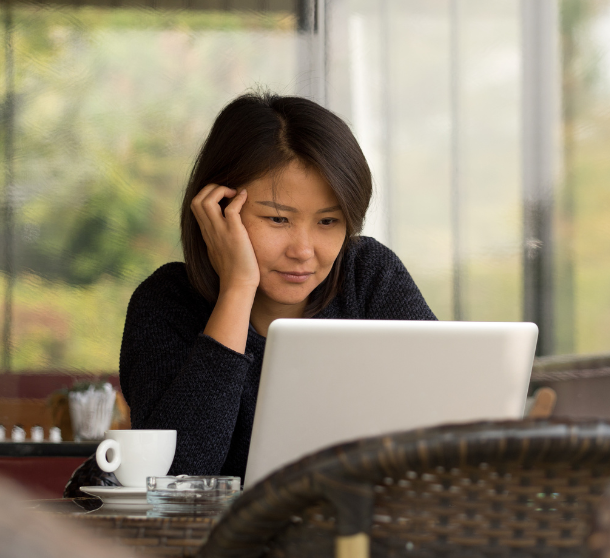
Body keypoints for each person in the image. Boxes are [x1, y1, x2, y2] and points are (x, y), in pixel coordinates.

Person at [119, 91, 436, 479]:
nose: (303, 251)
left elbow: (445, 432)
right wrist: (237, 289)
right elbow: (176, 474)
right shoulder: (167, 302)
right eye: (278, 220)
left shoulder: (367, 275)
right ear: (218, 210)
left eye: (327, 222)